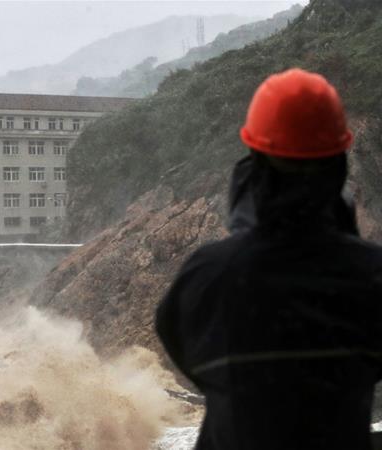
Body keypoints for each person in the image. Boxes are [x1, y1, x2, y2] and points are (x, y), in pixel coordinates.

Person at [156, 68, 382, 450]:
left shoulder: (209, 275)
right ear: (338, 163)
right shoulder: (371, 276)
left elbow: (184, 349)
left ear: (254, 161)